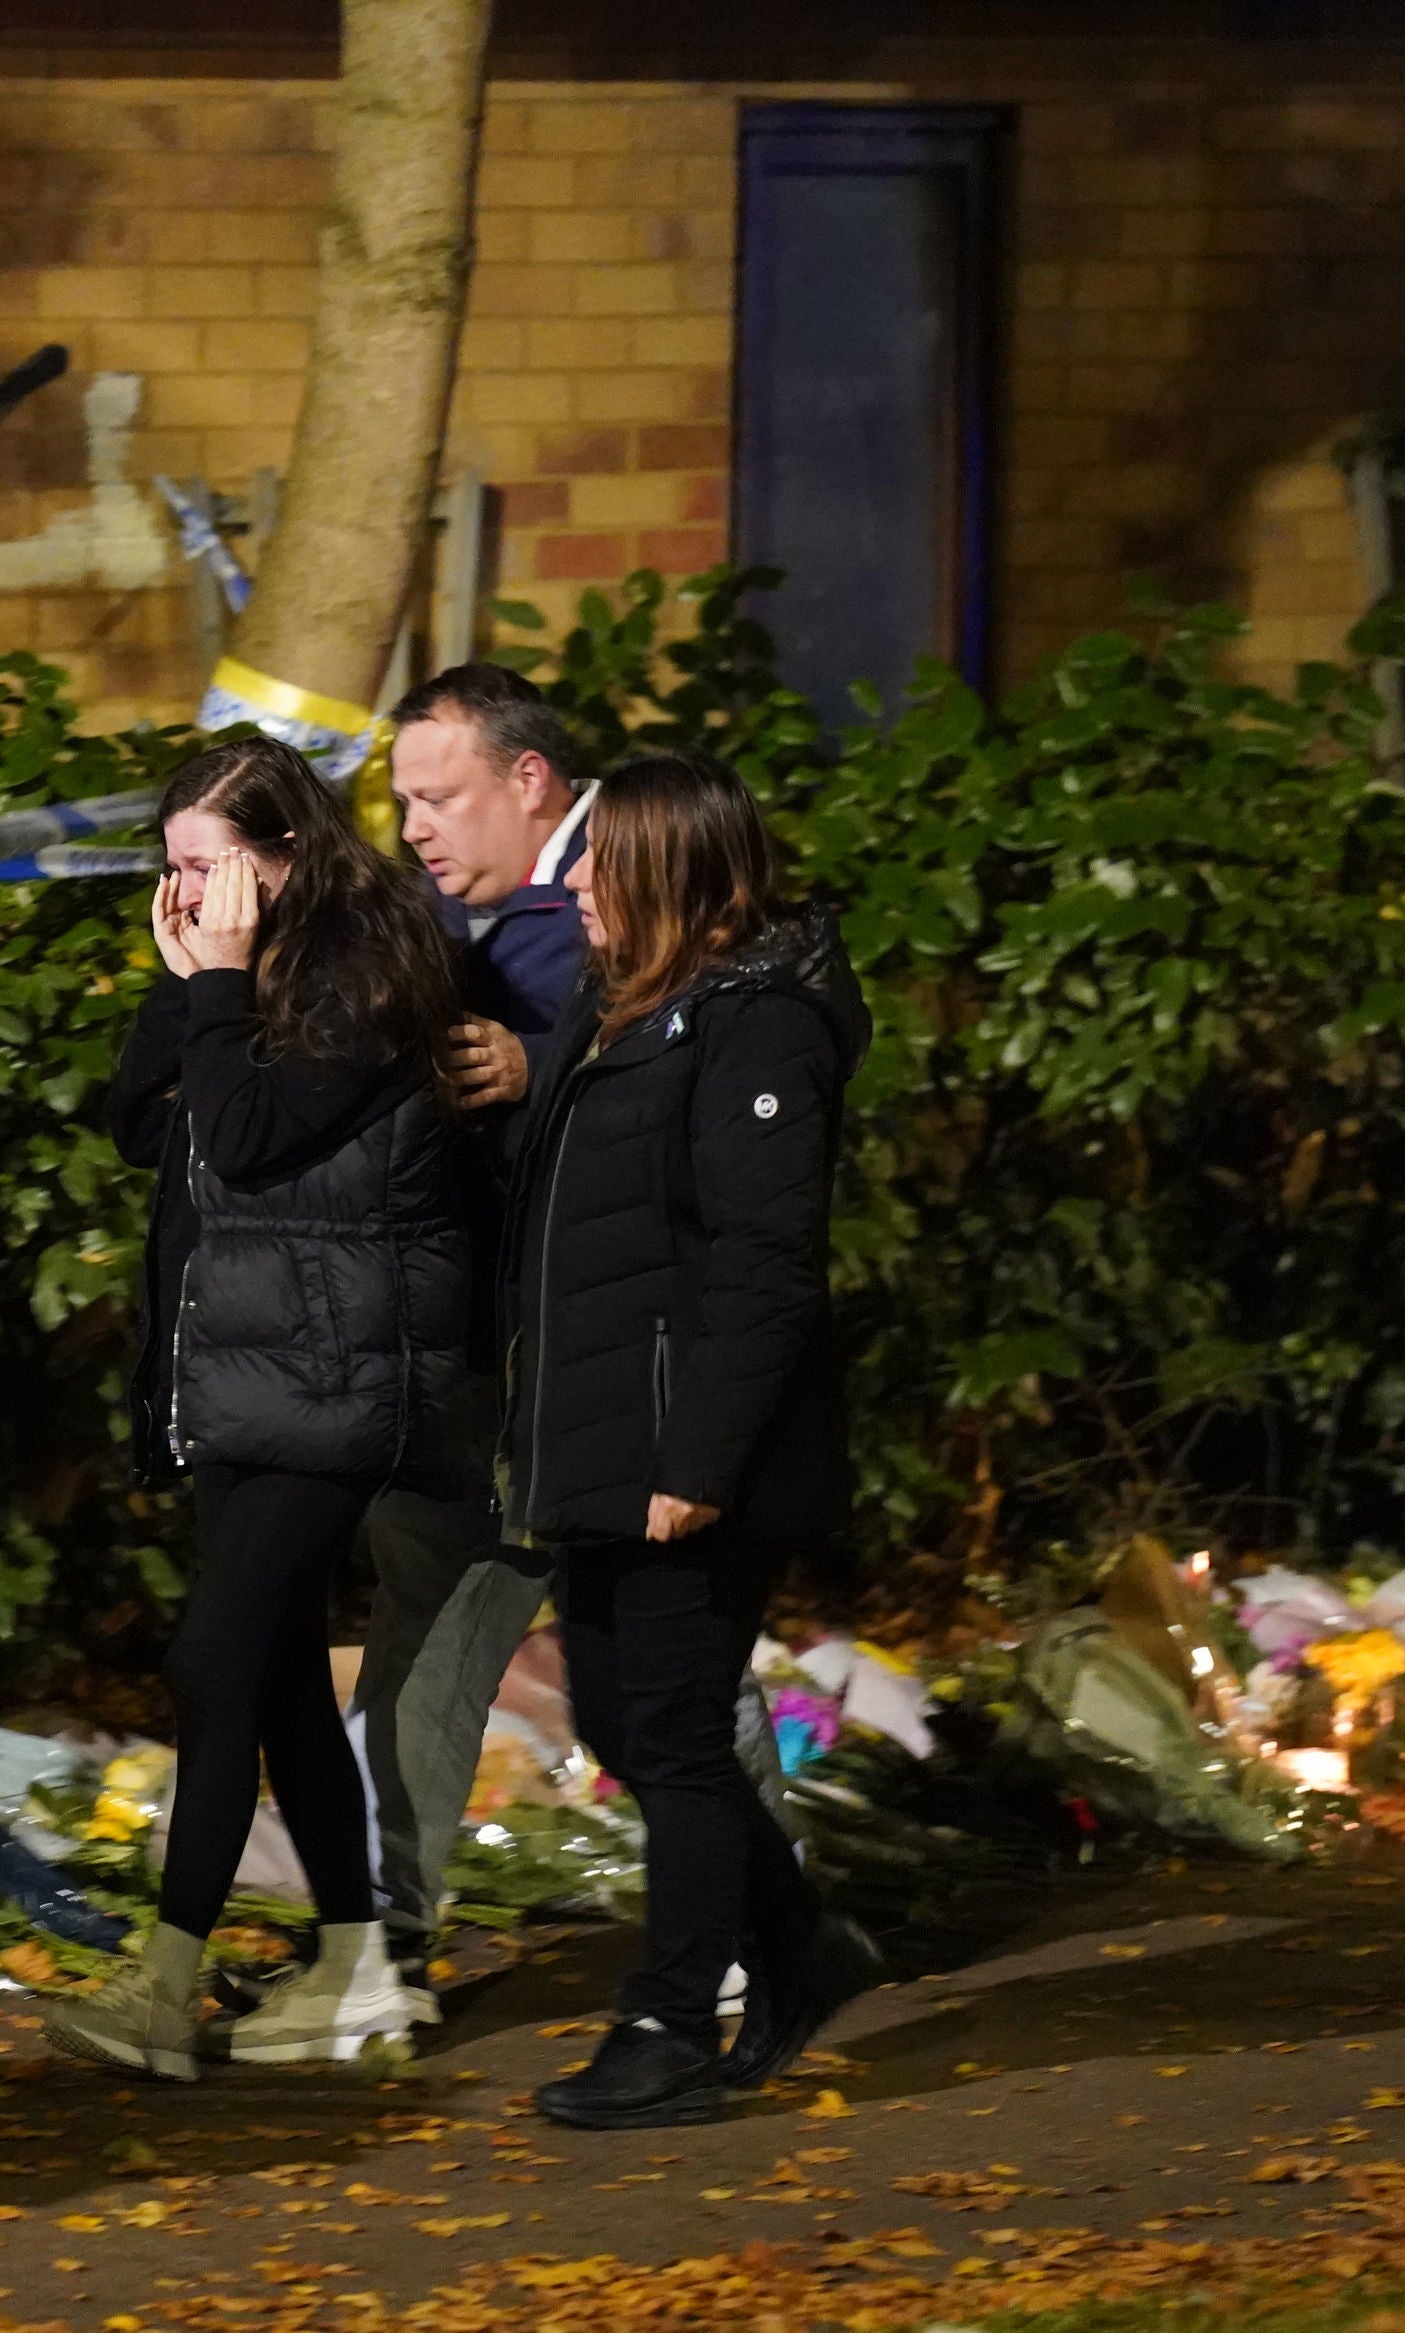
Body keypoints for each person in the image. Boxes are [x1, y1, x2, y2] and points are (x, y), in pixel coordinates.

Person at [44, 735, 470, 2080]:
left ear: (286, 852)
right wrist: (187, 988)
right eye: (167, 870)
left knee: (215, 1662)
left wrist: (219, 988)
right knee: (279, 1676)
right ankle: (357, 1965)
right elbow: (137, 1120)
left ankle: (168, 1986)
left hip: (338, 1377)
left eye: (203, 867)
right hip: (243, 1372)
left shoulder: (374, 968)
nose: (181, 894)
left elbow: (240, 1133)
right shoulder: (240, 971)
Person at [360, 664, 780, 2011]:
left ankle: (751, 1921)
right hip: (481, 1356)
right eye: (401, 802)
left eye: (438, 797)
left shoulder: (640, 877)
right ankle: (383, 1936)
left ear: (527, 780)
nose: (416, 827)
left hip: (607, 1361)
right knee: (435, 1618)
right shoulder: (449, 909)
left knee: (653, 1655)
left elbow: (692, 1091)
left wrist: (539, 1073)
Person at [497, 750, 883, 2132]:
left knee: (667, 1726)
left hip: (688, 1459)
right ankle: (800, 1943)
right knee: (621, 1714)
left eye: (602, 859)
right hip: (608, 1445)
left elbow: (766, 1264)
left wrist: (695, 1465)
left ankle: (669, 2018)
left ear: (673, 869)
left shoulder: (756, 1026)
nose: (577, 882)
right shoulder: (628, 1015)